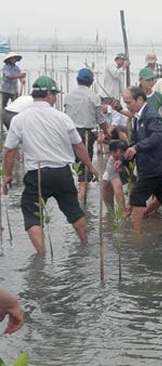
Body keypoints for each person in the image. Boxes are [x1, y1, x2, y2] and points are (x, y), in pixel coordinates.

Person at [2, 76, 98, 254]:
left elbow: (9, 151)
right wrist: (91, 167)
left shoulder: (20, 119)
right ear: (48, 94)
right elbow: (78, 146)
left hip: (37, 174)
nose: (55, 98)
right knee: (74, 211)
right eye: (54, 95)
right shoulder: (63, 118)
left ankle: (42, 255)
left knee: (32, 213)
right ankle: (85, 246)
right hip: (62, 173)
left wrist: (7, 176)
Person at [121, 86, 162, 233]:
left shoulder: (151, 115)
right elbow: (134, 142)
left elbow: (158, 136)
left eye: (129, 102)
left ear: (139, 99)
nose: (127, 105)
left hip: (155, 165)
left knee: (136, 196)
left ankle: (137, 235)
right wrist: (123, 159)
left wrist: (137, 148)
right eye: (125, 102)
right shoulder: (138, 117)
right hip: (149, 165)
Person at [63, 68, 109, 203]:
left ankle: (81, 189)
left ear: (77, 80)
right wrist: (106, 133)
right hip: (85, 134)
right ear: (91, 82)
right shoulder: (93, 96)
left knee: (74, 162)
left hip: (69, 133)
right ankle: (82, 197)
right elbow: (101, 119)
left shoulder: (68, 95)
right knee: (84, 163)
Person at [101, 140, 130, 216]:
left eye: (122, 152)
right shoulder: (111, 161)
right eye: (113, 153)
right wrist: (123, 211)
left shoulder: (131, 155)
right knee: (105, 182)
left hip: (134, 171)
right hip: (118, 172)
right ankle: (111, 211)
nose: (120, 154)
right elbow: (118, 188)